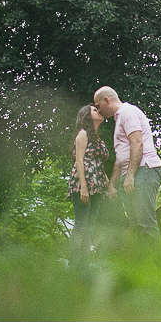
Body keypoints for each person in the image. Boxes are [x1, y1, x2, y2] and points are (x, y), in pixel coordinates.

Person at [93, 86, 161, 246]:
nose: (99, 110)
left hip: (144, 170)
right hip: (132, 175)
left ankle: (159, 268)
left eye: (98, 106)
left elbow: (138, 143)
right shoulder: (119, 119)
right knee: (136, 226)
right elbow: (121, 157)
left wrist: (130, 175)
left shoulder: (127, 112)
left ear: (107, 100)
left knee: (146, 224)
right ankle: (142, 267)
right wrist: (112, 185)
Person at [66, 104, 109, 266]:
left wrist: (108, 184)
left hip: (97, 184)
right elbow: (79, 160)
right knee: (81, 225)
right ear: (86, 116)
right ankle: (75, 263)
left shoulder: (97, 138)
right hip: (83, 183)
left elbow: (98, 162)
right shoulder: (83, 134)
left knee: (90, 226)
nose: (99, 111)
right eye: (94, 110)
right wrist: (83, 187)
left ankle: (84, 263)